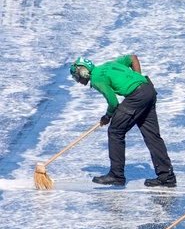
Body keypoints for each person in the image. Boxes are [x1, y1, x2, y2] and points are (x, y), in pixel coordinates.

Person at [70, 55, 175, 187]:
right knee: (152, 136)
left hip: (136, 97)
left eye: (76, 75)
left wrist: (107, 116)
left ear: (84, 71)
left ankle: (116, 175)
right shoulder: (109, 64)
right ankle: (167, 177)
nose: (78, 80)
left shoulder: (97, 79)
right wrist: (139, 80)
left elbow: (113, 102)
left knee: (115, 131)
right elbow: (133, 58)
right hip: (148, 89)